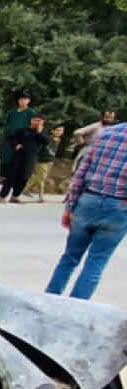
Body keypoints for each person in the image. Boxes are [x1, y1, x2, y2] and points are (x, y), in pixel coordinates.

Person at [45, 122, 127, 300]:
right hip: (120, 207)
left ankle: (48, 302)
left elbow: (81, 173)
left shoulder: (105, 134)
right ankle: (76, 309)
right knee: (96, 262)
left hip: (88, 200)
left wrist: (70, 206)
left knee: (69, 258)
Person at [0, 114, 50, 203]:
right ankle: (3, 197)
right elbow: (10, 138)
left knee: (24, 177)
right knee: (11, 176)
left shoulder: (43, 133)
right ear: (31, 120)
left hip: (31, 158)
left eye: (39, 121)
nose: (37, 122)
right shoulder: (23, 130)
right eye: (35, 120)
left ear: (43, 122)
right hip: (18, 156)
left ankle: (15, 196)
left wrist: (39, 132)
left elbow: (46, 142)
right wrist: (16, 144)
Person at [0, 91, 37, 186]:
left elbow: (33, 126)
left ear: (29, 101)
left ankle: (11, 179)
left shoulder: (31, 113)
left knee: (15, 158)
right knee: (5, 157)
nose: (23, 101)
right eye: (21, 99)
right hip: (8, 137)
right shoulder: (12, 112)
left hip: (21, 139)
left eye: (25, 99)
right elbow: (7, 123)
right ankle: (3, 177)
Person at [26, 124, 65, 202]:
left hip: (50, 161)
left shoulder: (58, 140)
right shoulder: (47, 139)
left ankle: (26, 189)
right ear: (52, 131)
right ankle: (41, 196)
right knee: (42, 178)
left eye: (61, 130)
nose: (59, 132)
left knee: (39, 177)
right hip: (41, 161)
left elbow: (54, 151)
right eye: (57, 130)